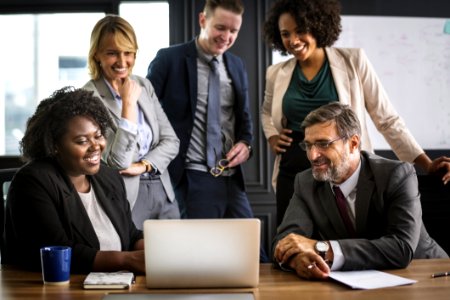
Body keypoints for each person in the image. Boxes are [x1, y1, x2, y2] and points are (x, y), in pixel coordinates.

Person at [260, 0, 450, 226]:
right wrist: (272, 135)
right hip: (292, 167)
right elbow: (266, 112)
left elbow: (386, 119)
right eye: (285, 34)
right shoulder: (276, 73)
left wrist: (426, 164)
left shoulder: (353, 61)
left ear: (319, 25)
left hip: (341, 167)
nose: (293, 40)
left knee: (346, 241)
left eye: (301, 31)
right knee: (291, 239)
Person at [273, 102, 448, 280]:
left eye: (323, 144)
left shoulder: (396, 175)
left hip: (427, 275)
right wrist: (298, 259)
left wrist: (324, 249)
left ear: (353, 143)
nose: (313, 155)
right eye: (308, 145)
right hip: (353, 284)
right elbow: (285, 240)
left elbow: (401, 247)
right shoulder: (305, 182)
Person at [3, 87, 145, 274]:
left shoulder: (108, 176)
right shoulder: (33, 182)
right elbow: (57, 250)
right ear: (55, 146)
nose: (95, 146)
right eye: (81, 141)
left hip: (113, 283)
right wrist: (127, 260)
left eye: (98, 135)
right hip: (54, 288)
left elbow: (130, 235)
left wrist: (156, 249)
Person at [146, 0, 254, 220]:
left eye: (234, 31)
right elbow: (145, 112)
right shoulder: (168, 59)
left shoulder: (236, 65)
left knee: (252, 251)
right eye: (220, 28)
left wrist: (246, 144)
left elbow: (244, 118)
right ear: (203, 20)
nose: (227, 37)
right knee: (201, 251)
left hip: (232, 179)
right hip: (191, 177)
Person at [83, 15, 180, 230]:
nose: (122, 61)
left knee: (175, 260)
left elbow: (171, 141)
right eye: (112, 53)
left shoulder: (143, 85)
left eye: (128, 53)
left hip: (162, 189)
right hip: (126, 196)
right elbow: (117, 162)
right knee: (135, 262)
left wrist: (144, 165)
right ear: (97, 55)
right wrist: (128, 105)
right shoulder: (88, 97)